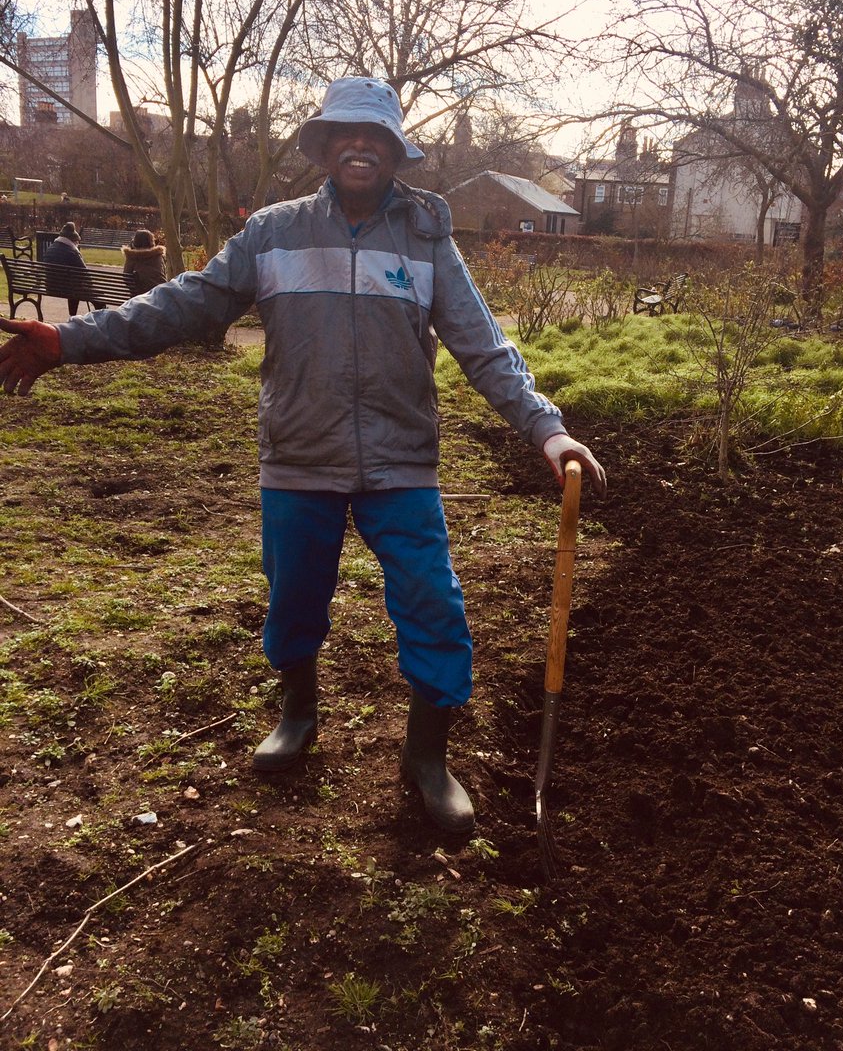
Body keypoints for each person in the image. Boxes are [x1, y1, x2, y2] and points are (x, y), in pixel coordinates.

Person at [0, 76, 605, 836]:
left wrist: (547, 430)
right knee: (293, 598)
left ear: (393, 153)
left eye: (376, 137)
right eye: (346, 135)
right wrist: (68, 340)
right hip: (299, 458)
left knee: (434, 602)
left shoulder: (424, 239)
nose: (361, 147)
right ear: (323, 147)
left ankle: (427, 757)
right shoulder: (274, 233)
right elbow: (181, 305)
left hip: (400, 464)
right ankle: (299, 711)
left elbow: (483, 347)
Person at [42, 222, 105, 317]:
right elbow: (85, 274)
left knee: (74, 288)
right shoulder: (72, 252)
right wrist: (91, 287)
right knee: (94, 298)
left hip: (50, 287)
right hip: (69, 289)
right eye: (76, 241)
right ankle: (101, 317)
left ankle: (72, 316)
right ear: (71, 239)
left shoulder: (51, 249)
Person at [122, 229, 167, 294]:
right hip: (159, 294)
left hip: (138, 296)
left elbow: (126, 277)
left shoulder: (131, 257)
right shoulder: (158, 256)